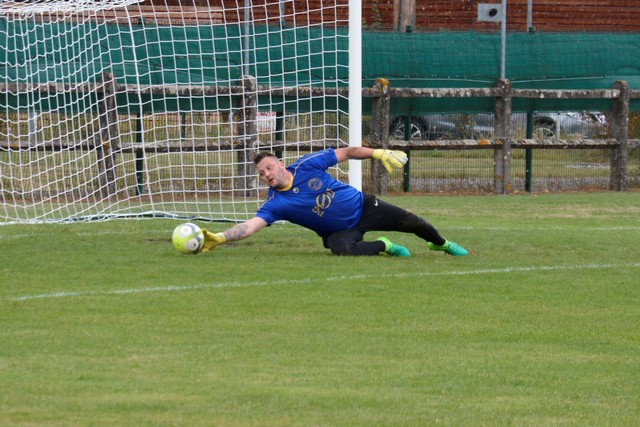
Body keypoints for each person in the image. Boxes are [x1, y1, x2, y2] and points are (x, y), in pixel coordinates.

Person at [199, 147, 468, 257]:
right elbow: (250, 226)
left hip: (364, 207)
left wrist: (379, 153)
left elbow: (348, 152)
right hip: (340, 231)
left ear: (280, 164)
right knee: (341, 249)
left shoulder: (306, 165)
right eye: (261, 173)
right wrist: (221, 238)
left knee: (415, 223)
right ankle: (384, 245)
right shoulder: (275, 203)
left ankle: (441, 244)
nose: (266, 175)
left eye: (268, 168)